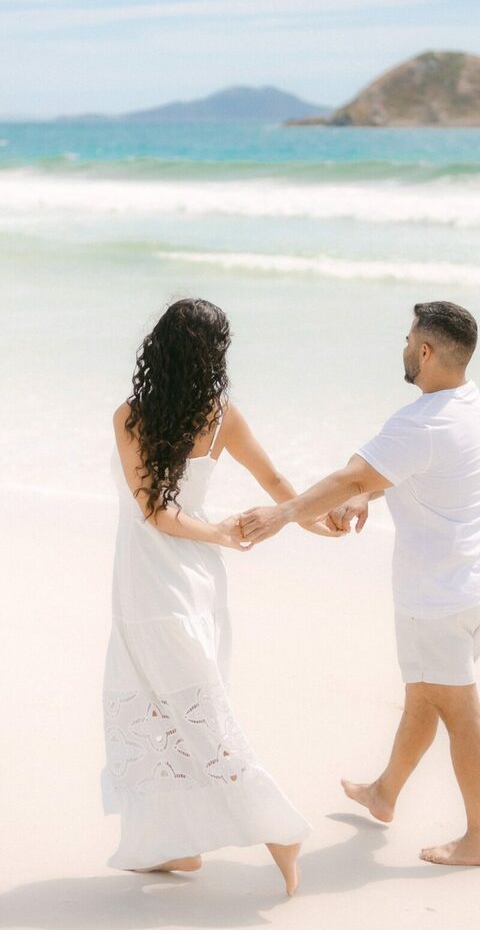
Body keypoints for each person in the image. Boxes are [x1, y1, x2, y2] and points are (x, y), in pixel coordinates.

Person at [239, 300, 480, 867]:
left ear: (425, 351)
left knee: (460, 714)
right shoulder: (467, 402)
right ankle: (385, 792)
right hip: (473, 585)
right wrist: (367, 496)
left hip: (438, 599)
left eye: (409, 339)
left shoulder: (420, 423)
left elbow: (352, 476)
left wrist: (285, 513)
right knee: (424, 697)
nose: (403, 347)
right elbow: (404, 473)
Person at [102, 297, 337, 895]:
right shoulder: (221, 415)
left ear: (158, 349)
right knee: (172, 710)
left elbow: (155, 512)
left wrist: (276, 525)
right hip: (196, 579)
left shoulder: (131, 416)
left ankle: (278, 830)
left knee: (195, 715)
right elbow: (275, 482)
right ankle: (176, 847)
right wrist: (303, 519)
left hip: (155, 583)